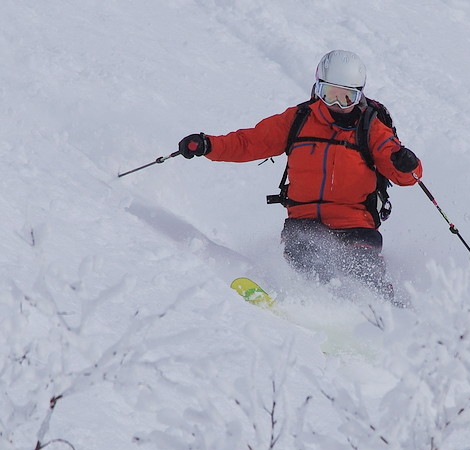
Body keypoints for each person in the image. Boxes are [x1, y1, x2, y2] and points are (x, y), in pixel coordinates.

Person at [178, 50, 422, 301]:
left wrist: (407, 164)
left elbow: (408, 175)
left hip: (356, 222)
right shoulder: (298, 120)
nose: (337, 105)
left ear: (359, 97)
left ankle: (389, 314)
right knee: (310, 262)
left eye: (347, 98)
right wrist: (209, 145)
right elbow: (249, 142)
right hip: (305, 220)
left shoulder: (371, 129)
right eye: (329, 95)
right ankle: (314, 309)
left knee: (362, 270)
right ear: (318, 89)